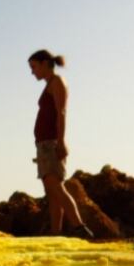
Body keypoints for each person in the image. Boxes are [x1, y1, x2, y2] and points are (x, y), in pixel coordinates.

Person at [29, 49, 92, 237]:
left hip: (51, 143)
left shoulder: (57, 82)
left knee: (56, 186)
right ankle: (56, 233)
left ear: (44, 63)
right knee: (52, 191)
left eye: (34, 67)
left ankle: (80, 227)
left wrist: (61, 142)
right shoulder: (49, 84)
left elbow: (61, 112)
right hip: (44, 144)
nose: (32, 72)